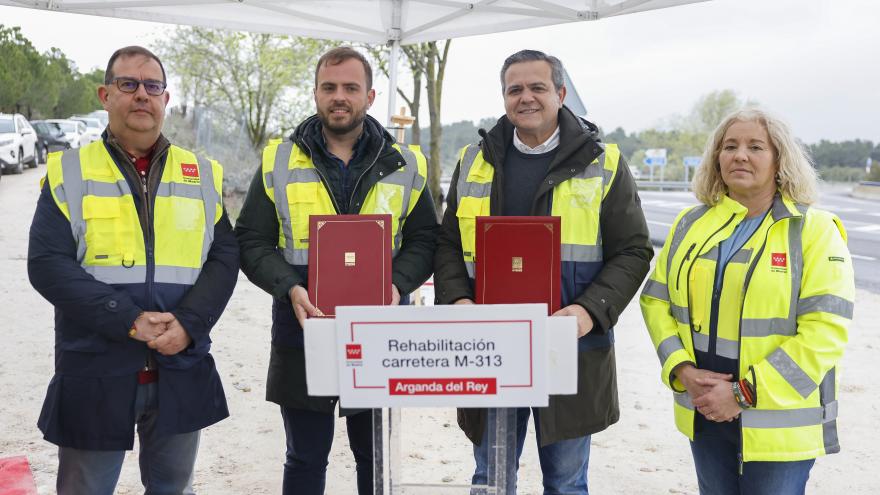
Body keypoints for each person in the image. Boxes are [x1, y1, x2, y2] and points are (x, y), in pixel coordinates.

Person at [434, 49, 653, 494]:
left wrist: (588, 312)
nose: (526, 98)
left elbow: (632, 251)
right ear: (504, 98)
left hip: (569, 346)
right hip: (490, 346)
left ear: (560, 92)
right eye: (515, 89)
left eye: (537, 87)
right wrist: (458, 300)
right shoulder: (473, 160)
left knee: (566, 482)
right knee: (489, 479)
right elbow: (448, 246)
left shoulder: (604, 163)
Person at [28, 45, 239, 494]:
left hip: (180, 365)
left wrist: (189, 324)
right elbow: (47, 264)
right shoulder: (70, 171)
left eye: (153, 86)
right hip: (96, 369)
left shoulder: (202, 174)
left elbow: (224, 258)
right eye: (128, 84)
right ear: (106, 95)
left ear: (166, 98)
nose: (142, 94)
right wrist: (129, 319)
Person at [234, 46, 437, 494]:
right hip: (302, 326)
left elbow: (426, 240)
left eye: (350, 87)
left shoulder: (407, 164)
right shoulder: (280, 161)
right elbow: (250, 240)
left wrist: (397, 284)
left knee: (374, 457)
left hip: (379, 332)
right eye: (329, 87)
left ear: (370, 94)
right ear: (315, 94)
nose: (339, 96)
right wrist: (289, 287)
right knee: (304, 457)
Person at [640, 108, 854, 495]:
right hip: (705, 406)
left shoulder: (815, 230)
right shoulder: (691, 224)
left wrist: (743, 394)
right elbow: (656, 302)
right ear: (716, 158)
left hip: (778, 419)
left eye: (755, 147)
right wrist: (681, 369)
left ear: (779, 161)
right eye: (730, 146)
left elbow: (826, 331)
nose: (740, 155)